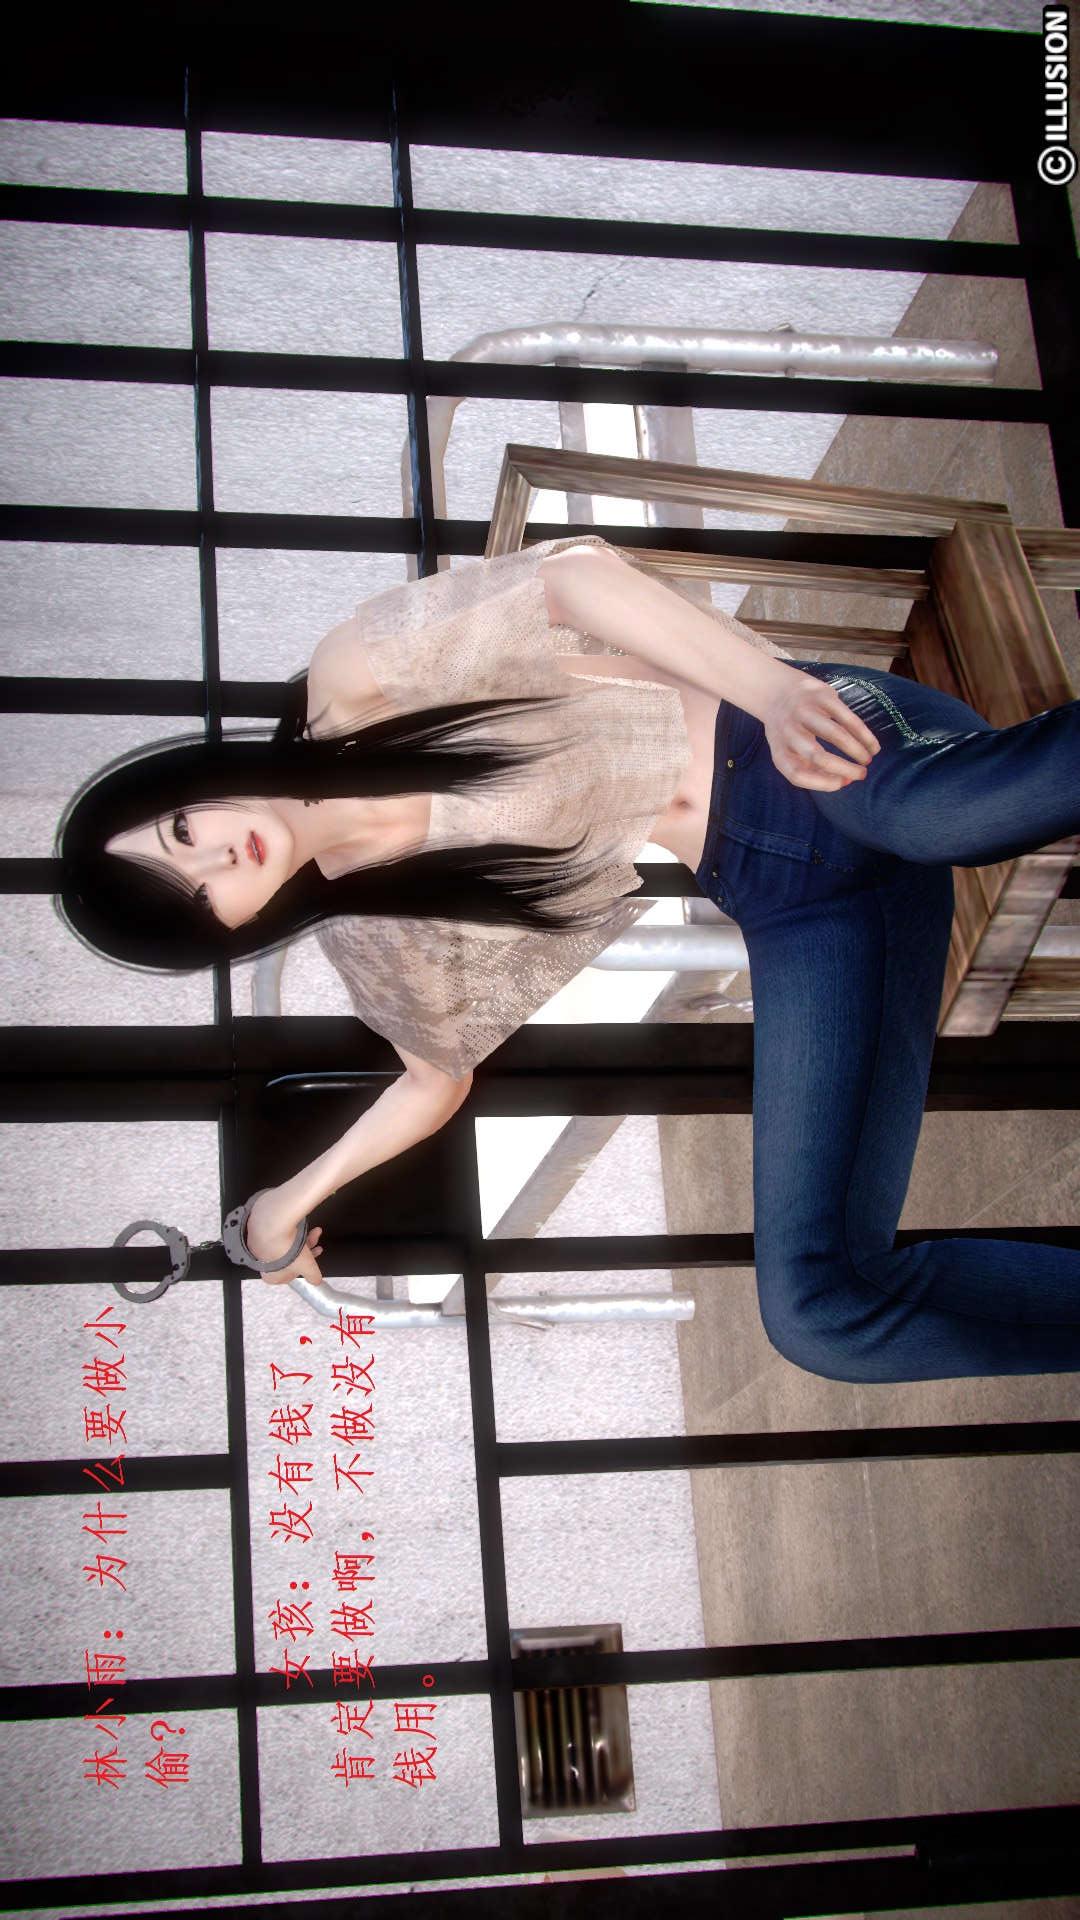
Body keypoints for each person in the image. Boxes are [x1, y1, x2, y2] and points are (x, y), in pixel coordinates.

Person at [56, 535, 1080, 1382]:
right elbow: (432, 1081)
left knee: (932, 811)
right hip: (795, 901)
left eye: (181, 830)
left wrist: (772, 692)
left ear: (192, 784)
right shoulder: (375, 935)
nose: (220, 858)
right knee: (819, 1313)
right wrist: (282, 1207)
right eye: (200, 894)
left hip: (811, 741)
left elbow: (574, 575)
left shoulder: (356, 681)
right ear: (229, 929)